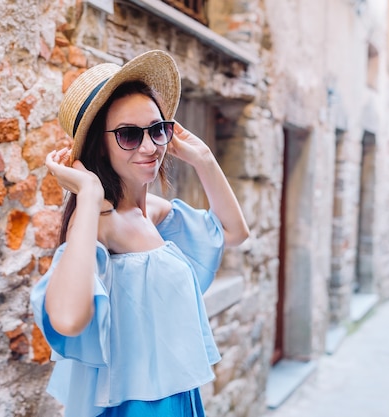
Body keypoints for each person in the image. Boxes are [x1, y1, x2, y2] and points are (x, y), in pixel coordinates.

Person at [30, 50, 249, 417]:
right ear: (100, 144)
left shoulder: (157, 214)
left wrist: (203, 159)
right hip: (134, 406)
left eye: (157, 129)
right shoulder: (98, 223)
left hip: (180, 397)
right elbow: (67, 320)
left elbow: (233, 232)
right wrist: (88, 194)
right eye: (129, 135)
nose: (150, 147)